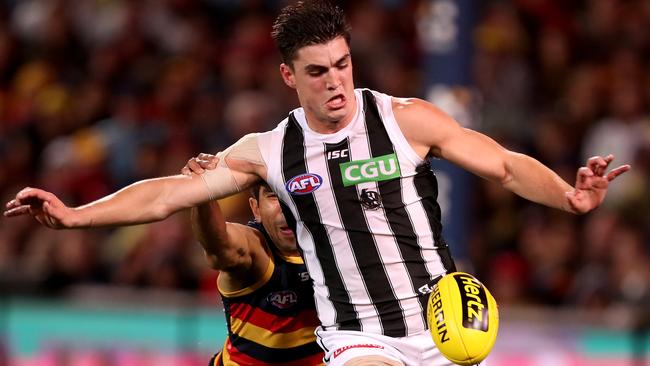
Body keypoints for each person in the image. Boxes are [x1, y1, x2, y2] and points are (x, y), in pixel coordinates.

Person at [4, 1, 630, 365]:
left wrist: (569, 197)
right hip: (358, 338)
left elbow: (502, 164)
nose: (335, 81)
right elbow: (167, 193)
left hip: (444, 325)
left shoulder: (406, 119)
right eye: (317, 71)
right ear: (288, 75)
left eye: (342, 64)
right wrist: (76, 215)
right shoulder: (270, 151)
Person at [188, 179, 323, 365]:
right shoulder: (255, 246)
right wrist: (203, 190)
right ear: (256, 208)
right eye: (274, 196)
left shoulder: (341, 243)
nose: (287, 207)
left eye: (297, 192)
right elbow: (220, 247)